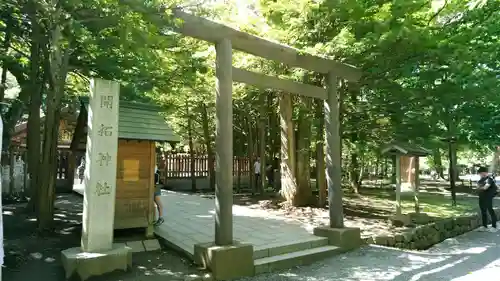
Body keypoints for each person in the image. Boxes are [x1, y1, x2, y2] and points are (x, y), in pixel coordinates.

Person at [476, 166, 497, 232]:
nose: (480, 174)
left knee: (490, 210)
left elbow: (486, 187)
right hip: (481, 197)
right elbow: (478, 187)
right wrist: (480, 187)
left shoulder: (489, 179)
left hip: (488, 197)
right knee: (483, 211)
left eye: (481, 173)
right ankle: (484, 226)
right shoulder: (480, 180)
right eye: (480, 173)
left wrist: (480, 187)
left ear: (485, 172)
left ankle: (494, 226)